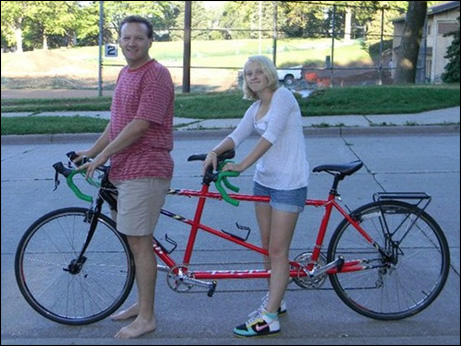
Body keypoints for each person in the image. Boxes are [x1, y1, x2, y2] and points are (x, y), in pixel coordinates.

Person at [75, 15, 174, 339]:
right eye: (126, 38)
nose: (131, 43)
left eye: (138, 38)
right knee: (134, 241)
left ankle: (147, 317)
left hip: (146, 168)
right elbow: (118, 122)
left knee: (140, 243)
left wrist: (103, 156)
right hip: (124, 169)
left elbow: (141, 124)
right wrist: (92, 151)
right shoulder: (125, 73)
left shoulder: (157, 75)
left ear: (150, 41)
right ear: (119, 40)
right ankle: (140, 305)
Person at [202, 55, 309, 337]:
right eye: (248, 73)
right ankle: (277, 300)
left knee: (278, 250)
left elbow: (270, 136)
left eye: (259, 71)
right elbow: (237, 135)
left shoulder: (283, 97)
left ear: (269, 73)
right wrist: (215, 151)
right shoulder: (256, 107)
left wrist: (241, 165)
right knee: (266, 248)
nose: (253, 76)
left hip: (289, 183)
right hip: (264, 182)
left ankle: (270, 318)